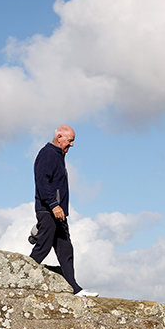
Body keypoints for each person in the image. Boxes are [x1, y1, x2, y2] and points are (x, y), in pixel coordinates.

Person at [29, 125, 98, 297]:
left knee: (66, 249)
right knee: (42, 248)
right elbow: (42, 182)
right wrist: (53, 204)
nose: (72, 145)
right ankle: (20, 278)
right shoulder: (48, 154)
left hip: (57, 212)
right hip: (49, 211)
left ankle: (75, 289)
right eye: (70, 140)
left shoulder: (58, 155)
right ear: (59, 137)